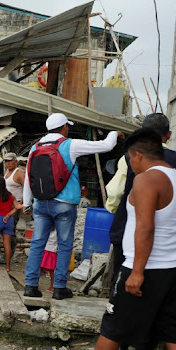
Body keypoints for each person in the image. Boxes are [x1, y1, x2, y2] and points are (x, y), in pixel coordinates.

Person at [54, 129, 176, 350]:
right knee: (173, 331)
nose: (131, 166)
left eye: (129, 159)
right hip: (175, 268)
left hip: (148, 268)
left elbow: (145, 228)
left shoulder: (148, 179)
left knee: (113, 323)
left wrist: (136, 272)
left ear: (137, 155)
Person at [105, 113, 176, 350]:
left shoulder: (138, 164)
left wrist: (121, 214)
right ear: (167, 136)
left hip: (140, 251)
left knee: (118, 312)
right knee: (166, 321)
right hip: (174, 258)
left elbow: (115, 196)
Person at [22, 113, 122, 300]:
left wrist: (27, 203)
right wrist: (114, 134)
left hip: (41, 203)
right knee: (65, 245)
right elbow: (106, 146)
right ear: (64, 127)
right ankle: (59, 288)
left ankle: (30, 286)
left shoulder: (35, 147)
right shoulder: (70, 145)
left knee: (37, 244)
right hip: (65, 204)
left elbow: (29, 176)